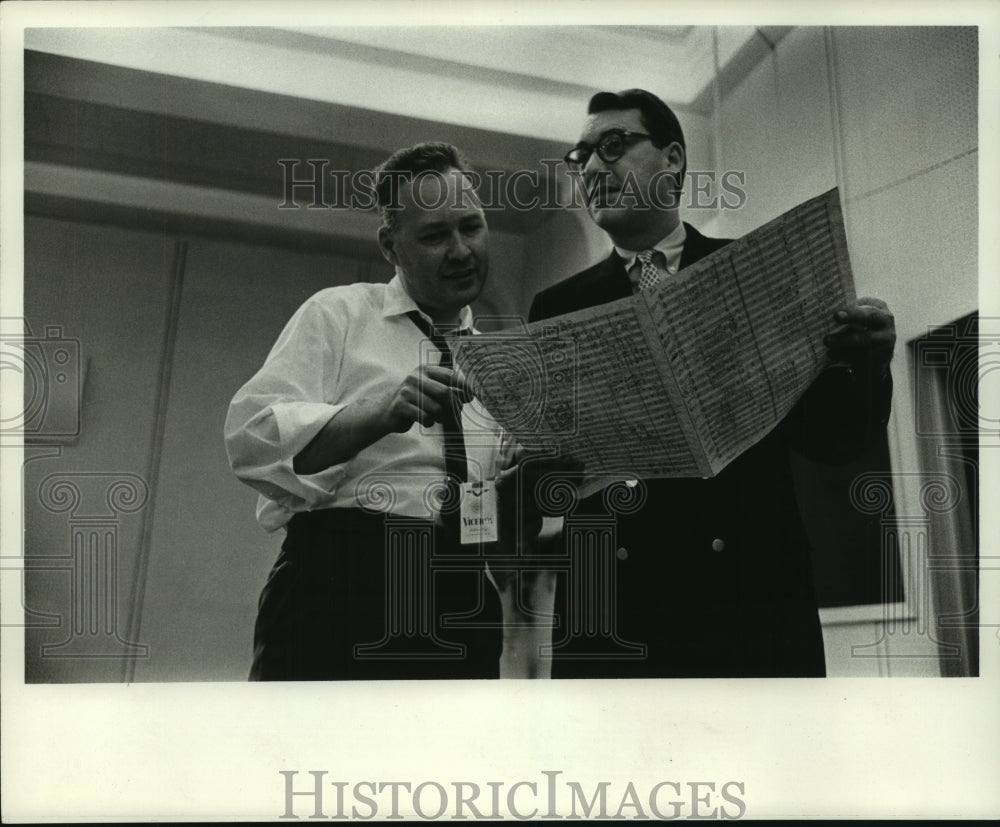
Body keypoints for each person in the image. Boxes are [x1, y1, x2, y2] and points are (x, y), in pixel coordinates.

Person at [527, 89, 896, 678]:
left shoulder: (758, 273)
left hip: (750, 598)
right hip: (619, 610)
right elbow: (547, 480)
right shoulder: (556, 307)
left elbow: (834, 441)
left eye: (614, 146)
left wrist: (871, 364)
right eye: (582, 157)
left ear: (672, 159)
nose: (594, 168)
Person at [225, 142, 520, 680]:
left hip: (464, 599)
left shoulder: (503, 368)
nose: (460, 250)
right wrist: (379, 413)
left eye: (471, 227)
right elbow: (252, 441)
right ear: (390, 245)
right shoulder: (338, 314)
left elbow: (495, 526)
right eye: (434, 235)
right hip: (343, 582)